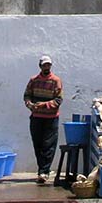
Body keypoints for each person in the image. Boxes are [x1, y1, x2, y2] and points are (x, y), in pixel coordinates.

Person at [23, 54, 62, 185]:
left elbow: (58, 100)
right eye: (44, 65)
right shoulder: (33, 80)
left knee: (48, 145)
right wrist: (30, 105)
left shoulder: (56, 81)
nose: (47, 67)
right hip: (36, 117)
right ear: (40, 66)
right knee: (38, 144)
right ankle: (42, 169)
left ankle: (44, 171)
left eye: (48, 65)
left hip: (51, 118)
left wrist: (43, 105)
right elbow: (27, 95)